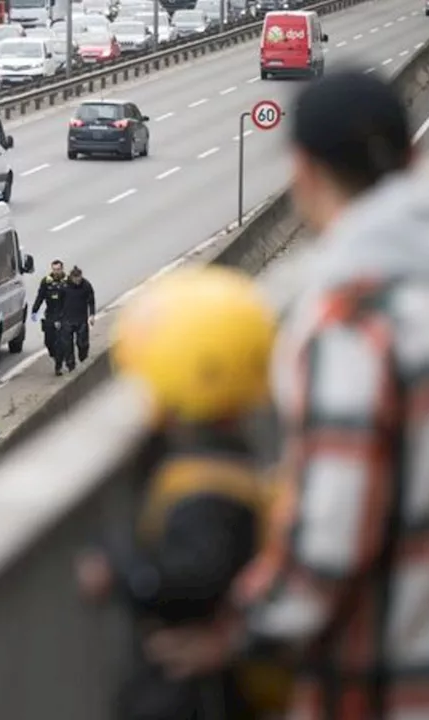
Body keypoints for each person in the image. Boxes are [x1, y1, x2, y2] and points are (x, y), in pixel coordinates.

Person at [144, 71, 429, 717]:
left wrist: (239, 631)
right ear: (414, 161)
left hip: (390, 690)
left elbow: (331, 537)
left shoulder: (357, 326)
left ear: (303, 172)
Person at [77, 265, 285, 720]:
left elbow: (192, 576)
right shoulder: (236, 461)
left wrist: (122, 568)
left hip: (199, 689)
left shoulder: (205, 485)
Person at [31, 260, 68, 374]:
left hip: (64, 315)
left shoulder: (67, 282)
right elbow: (40, 296)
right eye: (54, 269)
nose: (56, 272)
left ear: (62, 269)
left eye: (58, 269)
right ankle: (54, 355)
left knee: (61, 342)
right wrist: (34, 310)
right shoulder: (46, 282)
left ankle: (58, 365)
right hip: (50, 314)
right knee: (49, 341)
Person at [59, 266, 96, 372]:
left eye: (79, 277)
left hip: (81, 318)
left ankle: (83, 357)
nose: (77, 280)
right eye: (75, 278)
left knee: (82, 342)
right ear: (71, 277)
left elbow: (91, 301)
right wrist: (59, 317)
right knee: (67, 344)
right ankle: (71, 365)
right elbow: (59, 302)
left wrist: (92, 315)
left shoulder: (86, 285)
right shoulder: (64, 286)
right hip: (67, 318)